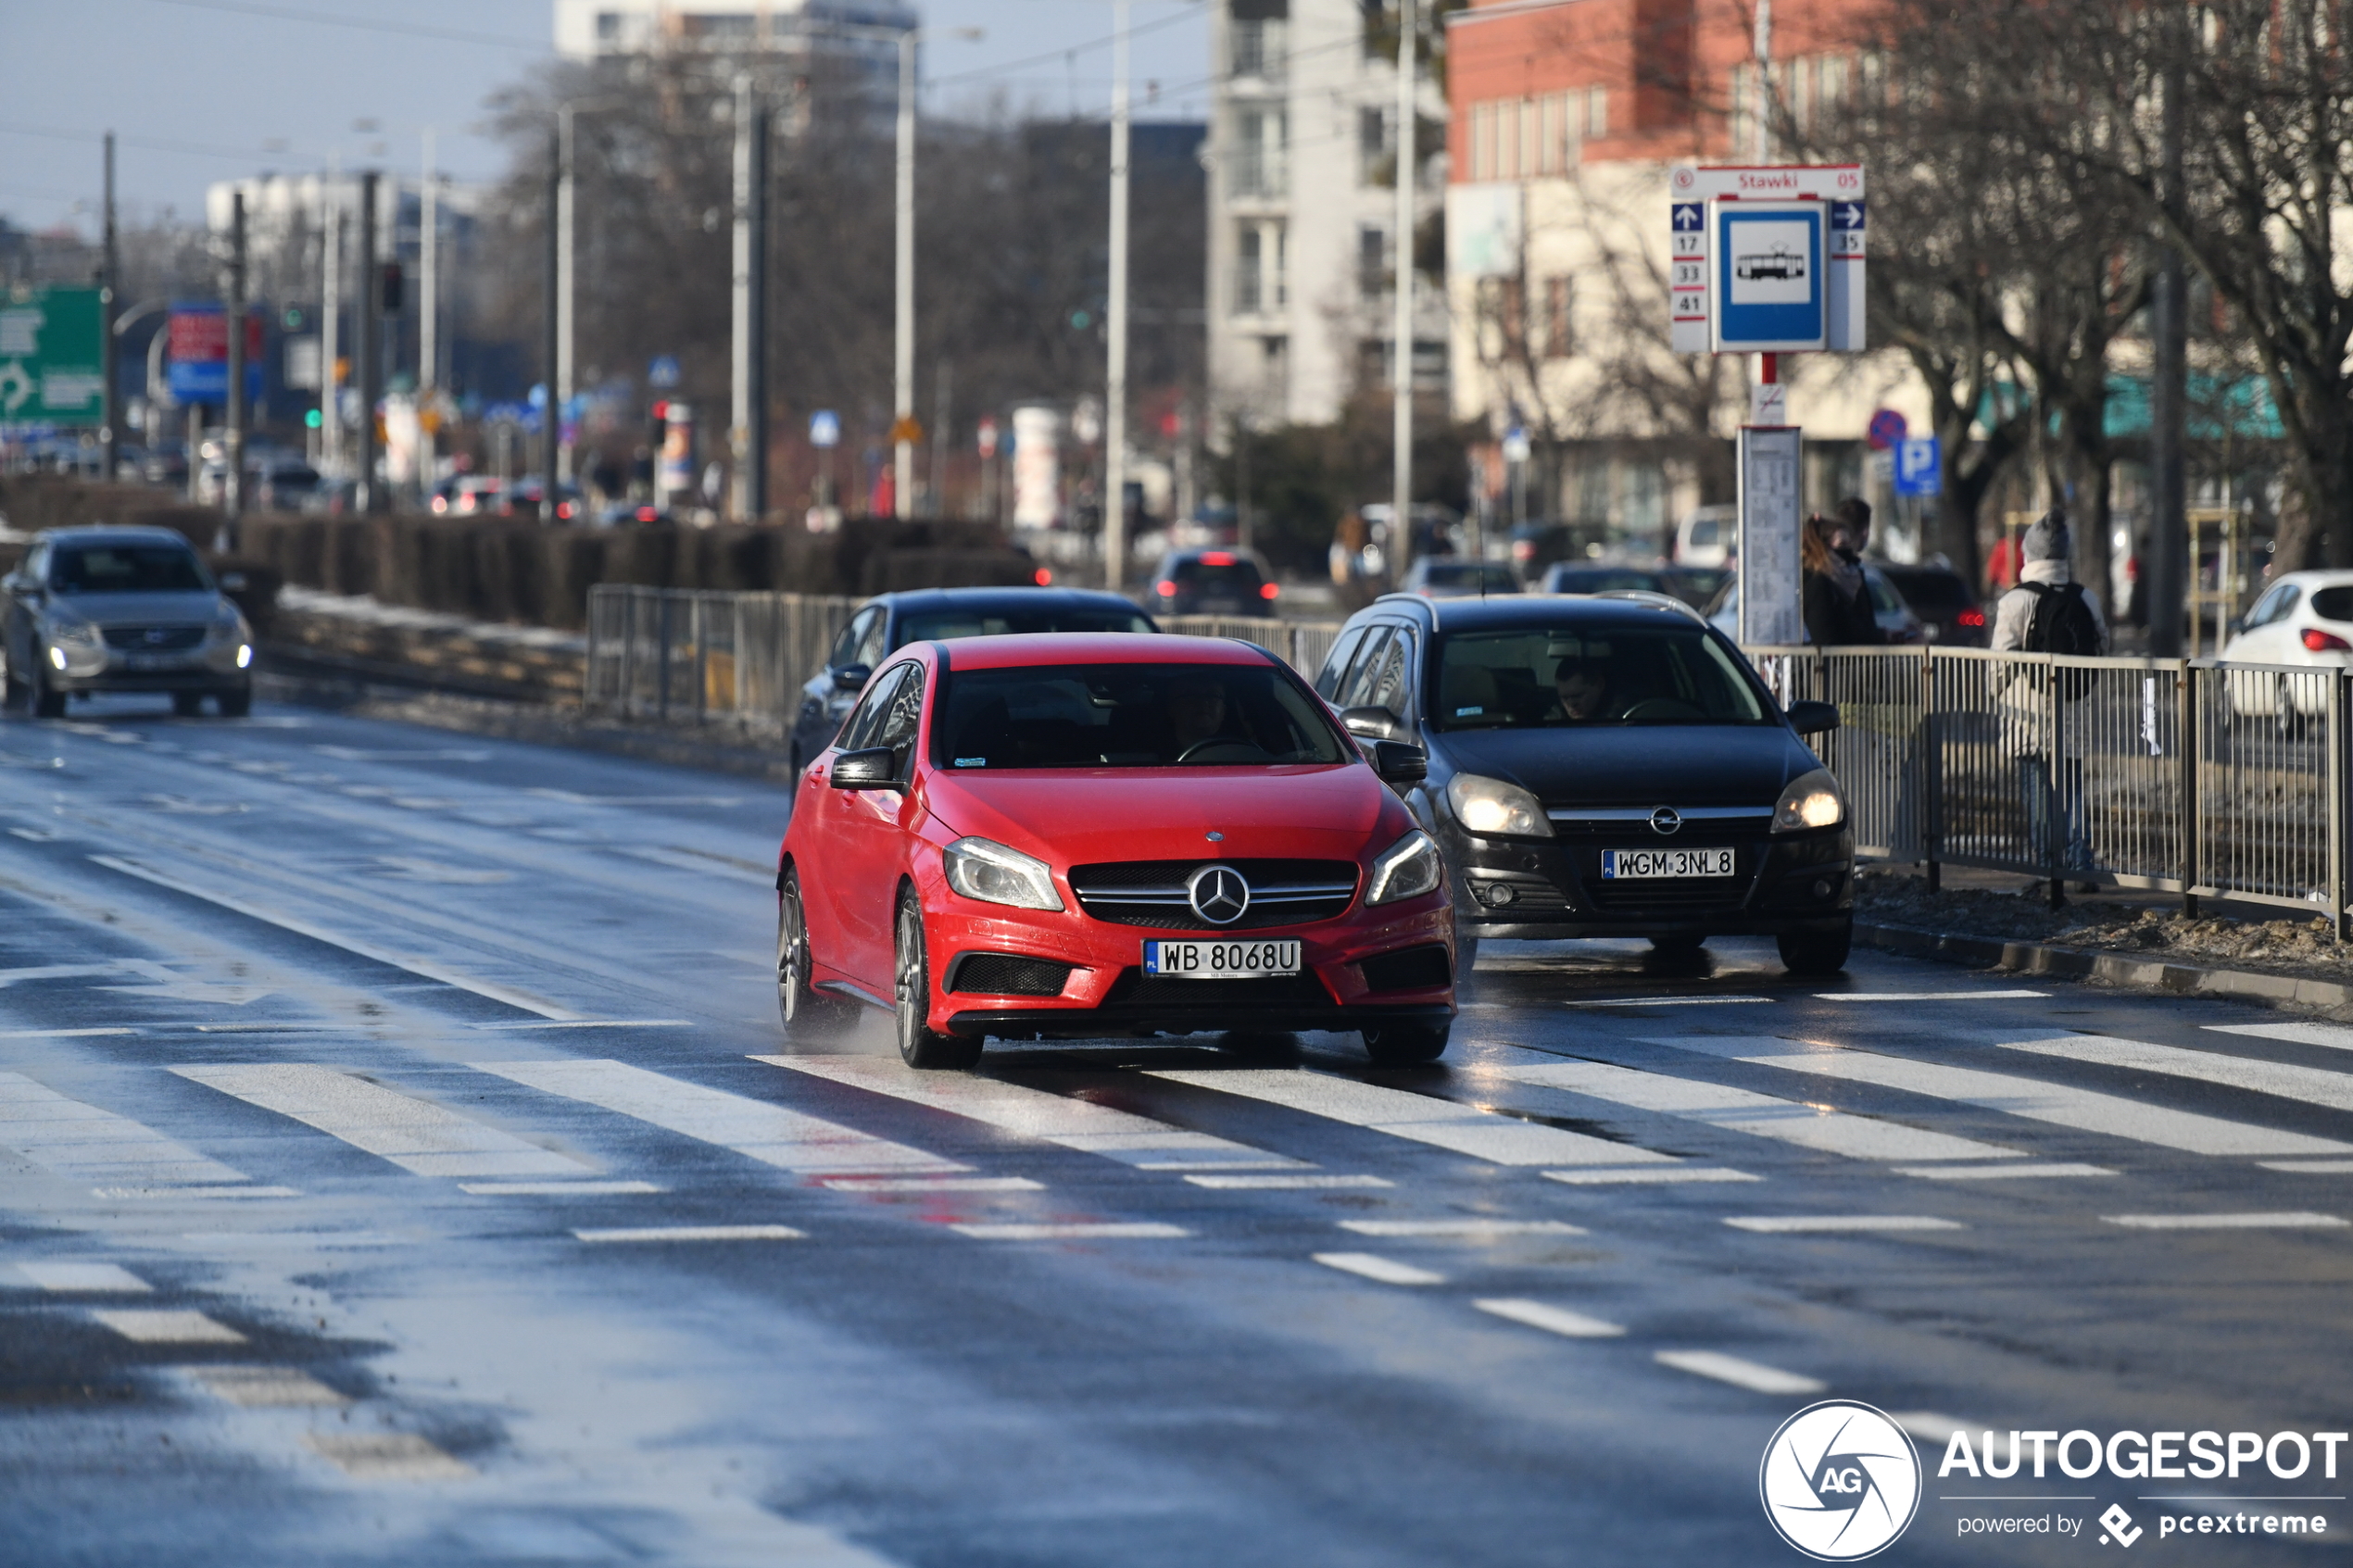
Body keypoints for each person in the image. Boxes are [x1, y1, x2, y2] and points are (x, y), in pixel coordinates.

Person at [1991, 510, 2108, 884]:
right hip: (2073, 707)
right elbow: (2102, 645)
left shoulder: (2015, 601)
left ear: (2029, 554)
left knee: (2037, 786)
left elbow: (1999, 661)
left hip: (2027, 715)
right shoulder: (2085, 598)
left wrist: (1992, 692)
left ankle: (2046, 862)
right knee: (2071, 784)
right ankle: (2080, 858)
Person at [1801, 499, 1883, 646]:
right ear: (1825, 548)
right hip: (1835, 666)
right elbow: (1828, 636)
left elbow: (1858, 627)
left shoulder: (1851, 578)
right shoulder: (1819, 584)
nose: (1847, 553)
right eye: (1842, 545)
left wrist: (1884, 636)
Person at [1549, 646, 1617, 721]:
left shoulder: (1619, 715)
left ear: (1600, 685)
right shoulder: (1554, 720)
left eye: (1577, 696)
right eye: (1564, 698)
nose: (1571, 704)